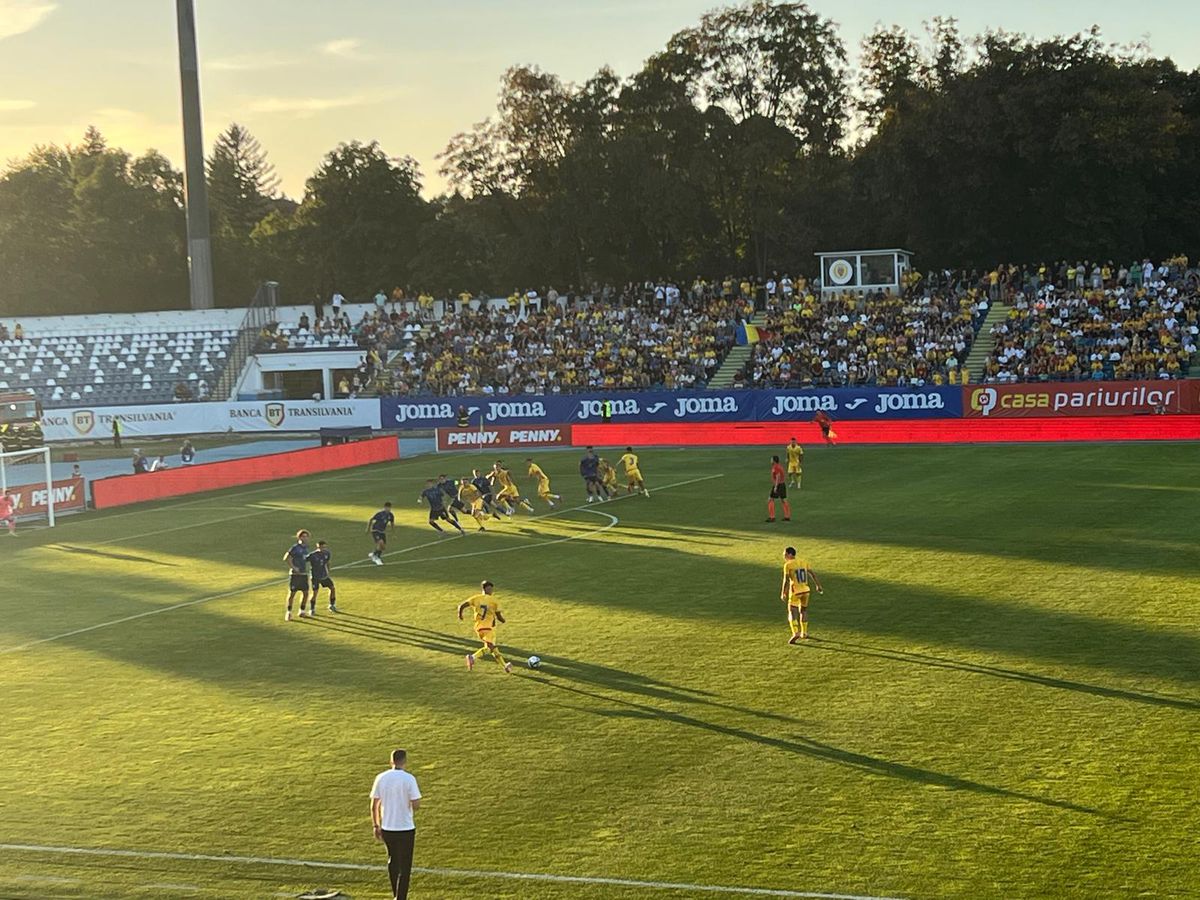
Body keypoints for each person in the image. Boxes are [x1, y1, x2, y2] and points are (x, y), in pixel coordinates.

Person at [370, 748, 422, 900]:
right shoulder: (409, 779)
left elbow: (374, 805)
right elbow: (416, 803)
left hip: (388, 827)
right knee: (405, 866)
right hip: (405, 828)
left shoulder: (381, 778)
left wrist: (375, 825)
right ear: (404, 761)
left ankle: (395, 894)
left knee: (393, 860)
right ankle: (401, 897)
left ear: (391, 761)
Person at [457, 580, 512, 673]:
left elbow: (462, 605)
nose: (491, 591)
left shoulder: (476, 598)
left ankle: (505, 666)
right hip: (488, 627)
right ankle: (472, 657)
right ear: (486, 588)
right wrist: (503, 620)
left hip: (478, 628)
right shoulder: (494, 601)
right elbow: (498, 615)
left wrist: (460, 614)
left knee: (491, 647)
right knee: (491, 647)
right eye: (490, 589)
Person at [781, 545, 823, 644]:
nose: (784, 556)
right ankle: (804, 633)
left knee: (792, 611)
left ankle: (795, 632)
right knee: (803, 610)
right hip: (806, 590)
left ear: (789, 554)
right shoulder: (803, 562)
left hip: (796, 591)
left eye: (785, 554)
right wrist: (818, 585)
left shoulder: (788, 565)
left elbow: (786, 580)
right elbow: (812, 574)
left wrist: (783, 592)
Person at [283, 529, 312, 621]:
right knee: (292, 593)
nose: (305, 538)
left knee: (306, 593)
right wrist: (294, 568)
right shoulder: (295, 547)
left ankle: (302, 611)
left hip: (304, 574)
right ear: (299, 537)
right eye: (303, 536)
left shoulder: (306, 548)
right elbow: (286, 558)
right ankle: (289, 613)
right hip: (295, 575)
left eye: (306, 536)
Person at [767, 455, 791, 523]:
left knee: (770, 499)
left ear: (774, 460)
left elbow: (778, 476)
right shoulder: (779, 466)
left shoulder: (776, 467)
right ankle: (787, 516)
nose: (770, 461)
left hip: (778, 485)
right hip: (782, 484)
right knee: (783, 500)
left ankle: (772, 517)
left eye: (771, 459)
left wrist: (776, 486)